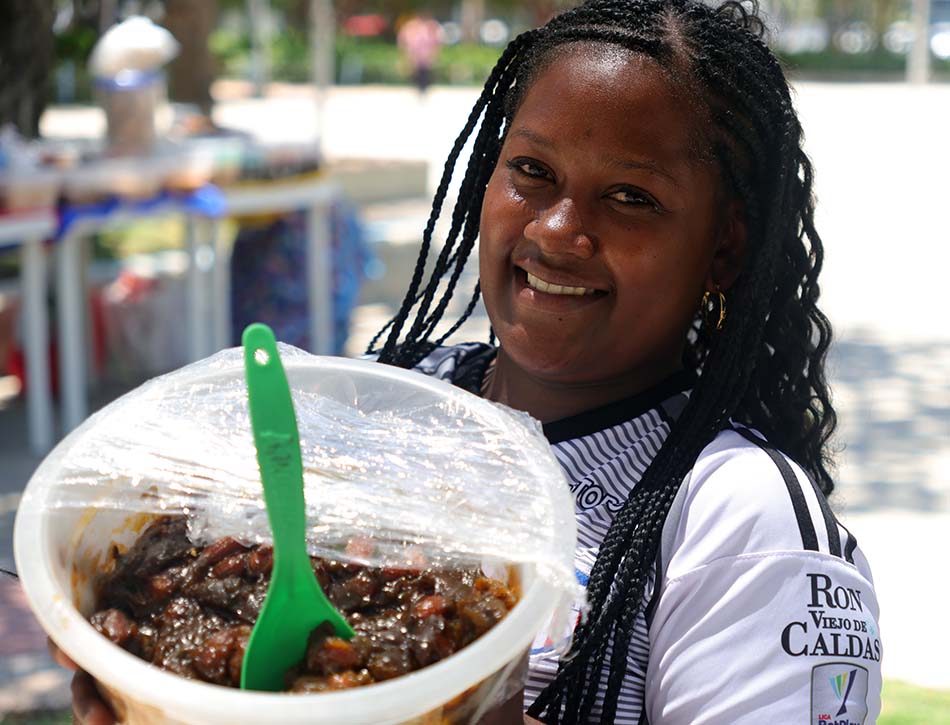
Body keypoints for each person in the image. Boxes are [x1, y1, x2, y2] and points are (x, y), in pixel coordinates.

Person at [55, 1, 882, 722]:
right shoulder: (391, 403)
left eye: (631, 197)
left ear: (723, 248)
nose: (557, 230)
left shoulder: (742, 520)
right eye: (532, 171)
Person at [397, 13, 443, 94]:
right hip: (418, 55)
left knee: (424, 72)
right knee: (418, 72)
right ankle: (420, 88)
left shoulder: (429, 27)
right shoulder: (412, 27)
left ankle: (422, 88)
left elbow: (435, 42)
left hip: (423, 55)